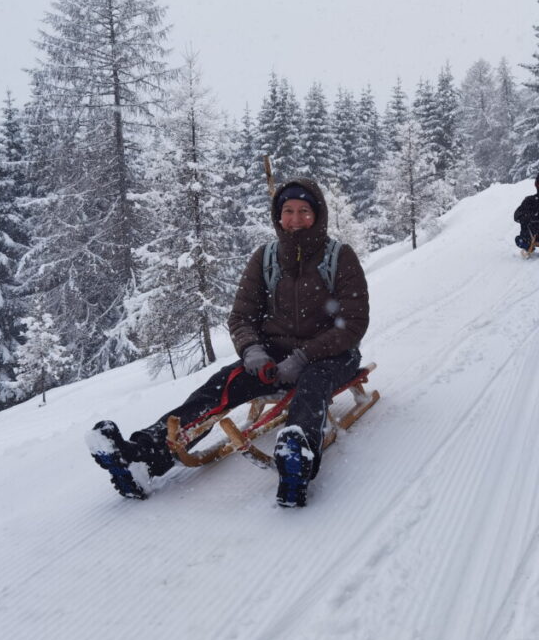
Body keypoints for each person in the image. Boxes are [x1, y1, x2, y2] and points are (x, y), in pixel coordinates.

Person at [88, 177, 370, 507]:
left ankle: (298, 457)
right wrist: (252, 350)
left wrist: (305, 356)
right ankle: (143, 455)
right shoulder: (265, 258)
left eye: (304, 211)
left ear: (317, 214)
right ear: (278, 217)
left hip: (331, 354)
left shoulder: (340, 257)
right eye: (288, 211)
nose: (295, 219)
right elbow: (242, 317)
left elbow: (352, 323)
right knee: (219, 387)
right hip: (274, 355)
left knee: (312, 384)